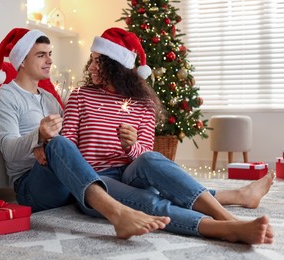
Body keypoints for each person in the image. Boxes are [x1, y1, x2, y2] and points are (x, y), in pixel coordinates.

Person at [61, 27, 275, 244]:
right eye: (92, 60)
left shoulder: (143, 104)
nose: (92, 67)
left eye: (100, 61)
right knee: (150, 200)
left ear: (117, 66)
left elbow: (144, 154)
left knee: (151, 158)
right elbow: (67, 146)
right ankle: (224, 228)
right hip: (97, 178)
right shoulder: (80, 96)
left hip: (131, 173)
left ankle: (228, 218)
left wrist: (131, 146)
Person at [0, 27, 171, 239]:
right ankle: (117, 213)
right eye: (41, 55)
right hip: (31, 186)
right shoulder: (5, 98)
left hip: (67, 181)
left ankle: (188, 204)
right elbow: (10, 153)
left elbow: (67, 143)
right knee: (60, 145)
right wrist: (38, 138)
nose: (49, 61)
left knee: (144, 194)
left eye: (50, 54)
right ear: (22, 61)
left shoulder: (49, 98)